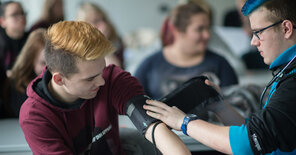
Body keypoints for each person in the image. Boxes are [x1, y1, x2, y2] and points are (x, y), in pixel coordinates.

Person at [143, 0, 296, 154]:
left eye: (258, 32)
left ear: (286, 29)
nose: (253, 41)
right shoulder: (293, 71)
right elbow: (261, 134)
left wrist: (183, 122)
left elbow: (251, 142)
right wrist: (219, 107)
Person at [19, 21, 190, 155]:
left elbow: (152, 125)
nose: (101, 82)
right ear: (59, 79)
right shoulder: (34, 116)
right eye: (90, 78)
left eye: (101, 70)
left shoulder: (111, 79)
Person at [135, 2, 238, 100]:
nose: (207, 35)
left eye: (208, 28)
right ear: (178, 31)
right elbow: (136, 104)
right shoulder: (149, 65)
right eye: (200, 29)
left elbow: (235, 106)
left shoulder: (220, 63)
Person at [2, 28, 46, 117]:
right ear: (30, 60)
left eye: (53, 63)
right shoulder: (18, 83)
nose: (50, 69)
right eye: (43, 63)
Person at [76, 2, 125, 68]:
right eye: (95, 21)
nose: (104, 24)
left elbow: (117, 72)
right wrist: (102, 42)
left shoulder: (116, 40)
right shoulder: (79, 49)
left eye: (103, 19)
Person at [0, 1, 28, 75]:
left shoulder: (32, 40)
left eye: (22, 13)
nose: (21, 17)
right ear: (2, 21)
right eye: (15, 14)